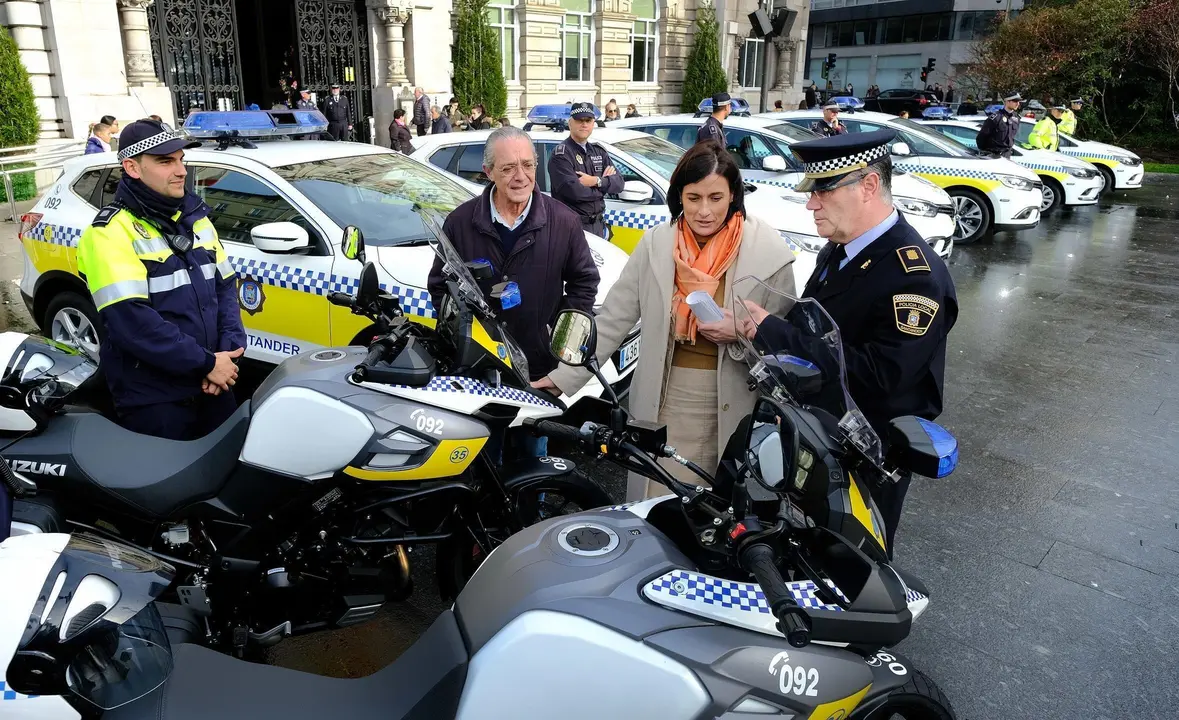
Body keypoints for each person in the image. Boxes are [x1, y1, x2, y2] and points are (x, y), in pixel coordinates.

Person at [532, 142, 796, 500]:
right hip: (662, 398)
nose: (704, 211)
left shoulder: (767, 251)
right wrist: (562, 377)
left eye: (716, 198)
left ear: (733, 194)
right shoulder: (658, 243)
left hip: (735, 402)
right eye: (693, 198)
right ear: (678, 197)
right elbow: (615, 315)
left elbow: (785, 342)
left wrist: (740, 332)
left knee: (721, 514)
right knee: (660, 509)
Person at [741, 130, 957, 555]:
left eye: (823, 189)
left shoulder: (914, 276)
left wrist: (771, 329)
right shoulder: (841, 249)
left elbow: (880, 377)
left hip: (866, 457)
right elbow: (817, 328)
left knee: (852, 568)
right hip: (819, 437)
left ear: (870, 186)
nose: (810, 203)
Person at [430, 126, 599, 457]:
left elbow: (584, 282)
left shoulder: (563, 221)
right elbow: (440, 285)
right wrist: (465, 332)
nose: (521, 176)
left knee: (531, 464)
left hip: (535, 370)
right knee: (479, 464)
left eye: (528, 165)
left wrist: (558, 336)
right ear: (489, 171)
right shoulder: (460, 222)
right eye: (508, 168)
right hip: (478, 373)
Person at [75, 118, 246, 441]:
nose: (181, 170)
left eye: (181, 159)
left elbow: (225, 291)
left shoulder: (197, 219)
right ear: (133, 168)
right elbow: (133, 323)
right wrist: (207, 364)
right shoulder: (108, 234)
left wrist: (228, 356)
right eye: (165, 161)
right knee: (172, 490)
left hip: (216, 384)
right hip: (156, 399)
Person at [547, 102, 623, 239]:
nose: (584, 124)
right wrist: (605, 186)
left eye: (588, 120)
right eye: (579, 120)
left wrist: (596, 181)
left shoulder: (598, 151)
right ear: (570, 123)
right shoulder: (562, 155)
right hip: (573, 228)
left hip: (599, 226)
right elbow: (575, 192)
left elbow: (619, 183)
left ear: (593, 123)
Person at [975, 92, 1021, 158]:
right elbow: (981, 137)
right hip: (992, 155)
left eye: (1018, 101)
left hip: (1007, 155)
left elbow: (1011, 137)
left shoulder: (1016, 118)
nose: (1017, 104)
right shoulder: (995, 117)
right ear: (1007, 102)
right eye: (1015, 101)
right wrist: (986, 152)